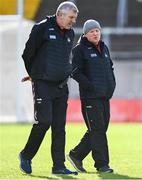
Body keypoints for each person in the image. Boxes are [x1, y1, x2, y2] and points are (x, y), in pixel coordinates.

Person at [19, 1, 78, 175]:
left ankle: (58, 166)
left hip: (61, 86)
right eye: (71, 17)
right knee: (44, 121)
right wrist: (35, 75)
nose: (73, 21)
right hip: (43, 84)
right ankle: (26, 154)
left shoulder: (71, 33)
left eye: (75, 18)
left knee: (59, 127)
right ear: (60, 15)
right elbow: (27, 54)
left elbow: (64, 58)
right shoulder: (41, 28)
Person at [67, 19, 116, 173]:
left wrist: (111, 85)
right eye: (92, 31)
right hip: (90, 98)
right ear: (86, 34)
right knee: (97, 130)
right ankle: (102, 165)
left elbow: (110, 67)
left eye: (97, 31)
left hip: (104, 96)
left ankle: (76, 155)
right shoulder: (79, 50)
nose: (95, 33)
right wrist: (90, 86)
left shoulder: (104, 47)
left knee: (100, 129)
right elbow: (75, 71)